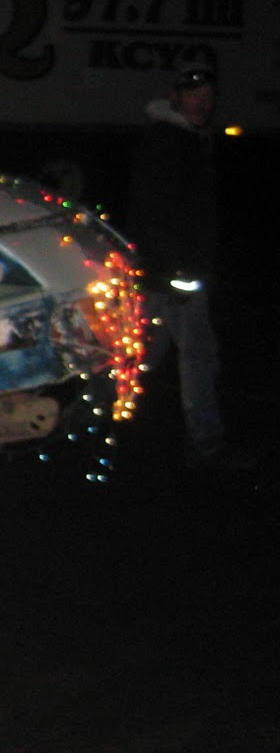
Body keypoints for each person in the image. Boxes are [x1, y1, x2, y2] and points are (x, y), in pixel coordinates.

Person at [125, 66, 252, 473]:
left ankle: (96, 426)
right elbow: (157, 211)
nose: (203, 102)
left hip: (165, 272)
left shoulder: (189, 138)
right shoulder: (169, 141)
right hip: (173, 274)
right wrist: (178, 270)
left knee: (141, 355)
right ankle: (205, 442)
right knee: (196, 356)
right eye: (195, 94)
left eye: (208, 95)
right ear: (176, 96)